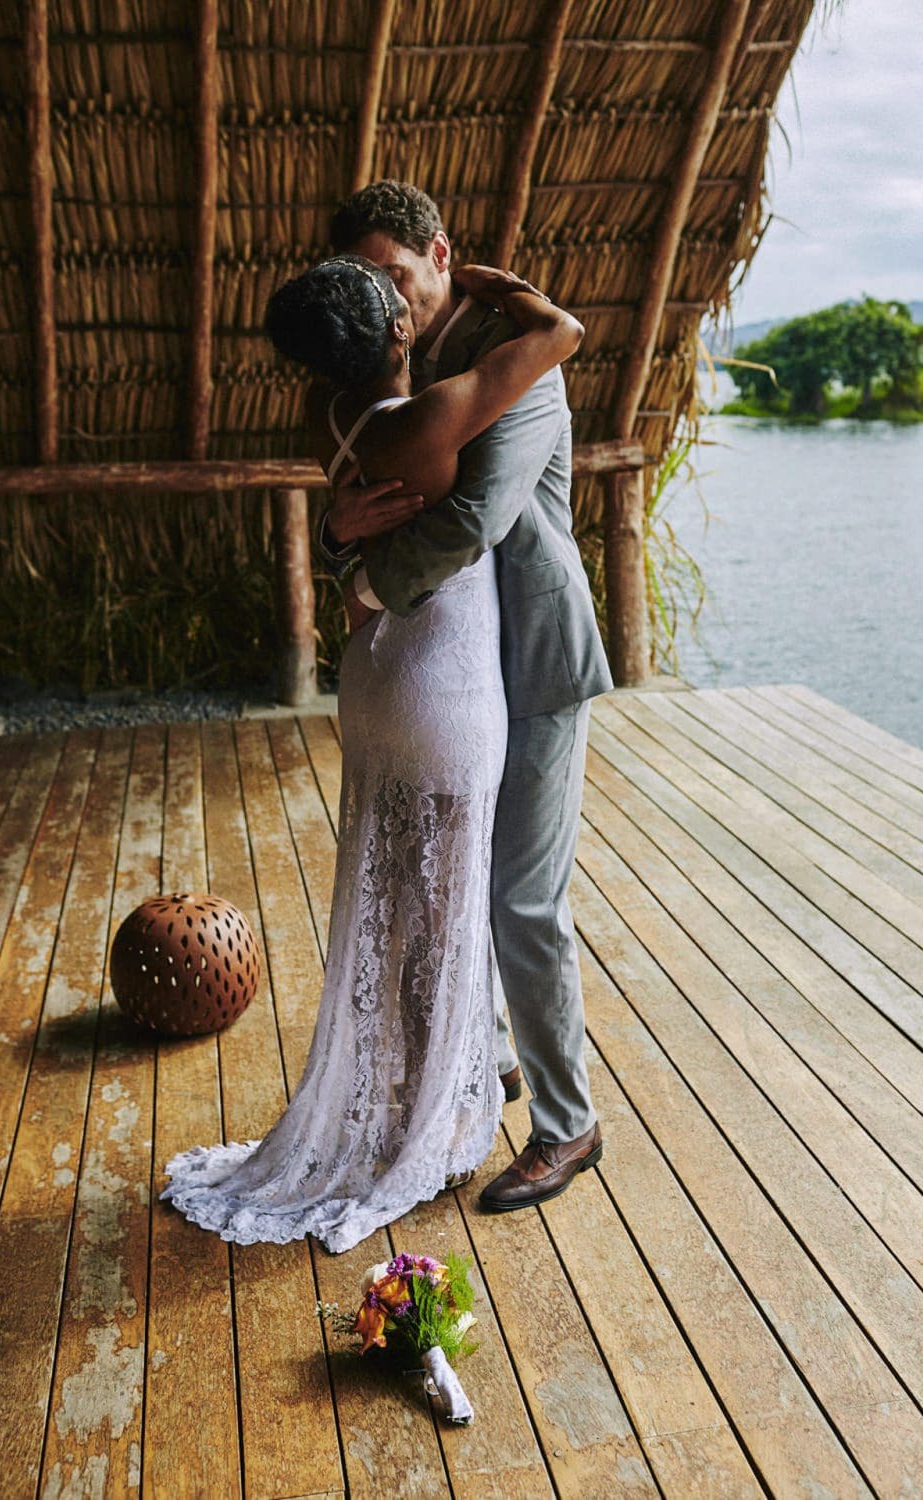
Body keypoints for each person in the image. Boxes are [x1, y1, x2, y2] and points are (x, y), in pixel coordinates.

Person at [159, 255, 584, 1254]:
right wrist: (506, 291)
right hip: (444, 685)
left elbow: (369, 518)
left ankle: (450, 1076)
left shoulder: (334, 416)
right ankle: (442, 1107)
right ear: (396, 327)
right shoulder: (431, 417)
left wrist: (342, 543)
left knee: (403, 892)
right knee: (448, 899)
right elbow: (559, 338)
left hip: (374, 677)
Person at [319, 182, 613, 1212]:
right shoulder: (379, 363)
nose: (387, 301)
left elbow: (474, 516)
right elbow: (349, 484)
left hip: (531, 660)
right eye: (368, 284)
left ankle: (569, 1127)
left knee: (522, 899)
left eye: (396, 276)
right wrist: (337, 532)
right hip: (445, 674)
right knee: (448, 883)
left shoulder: (519, 360)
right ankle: (483, 1063)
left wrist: (361, 585)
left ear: (440, 255)